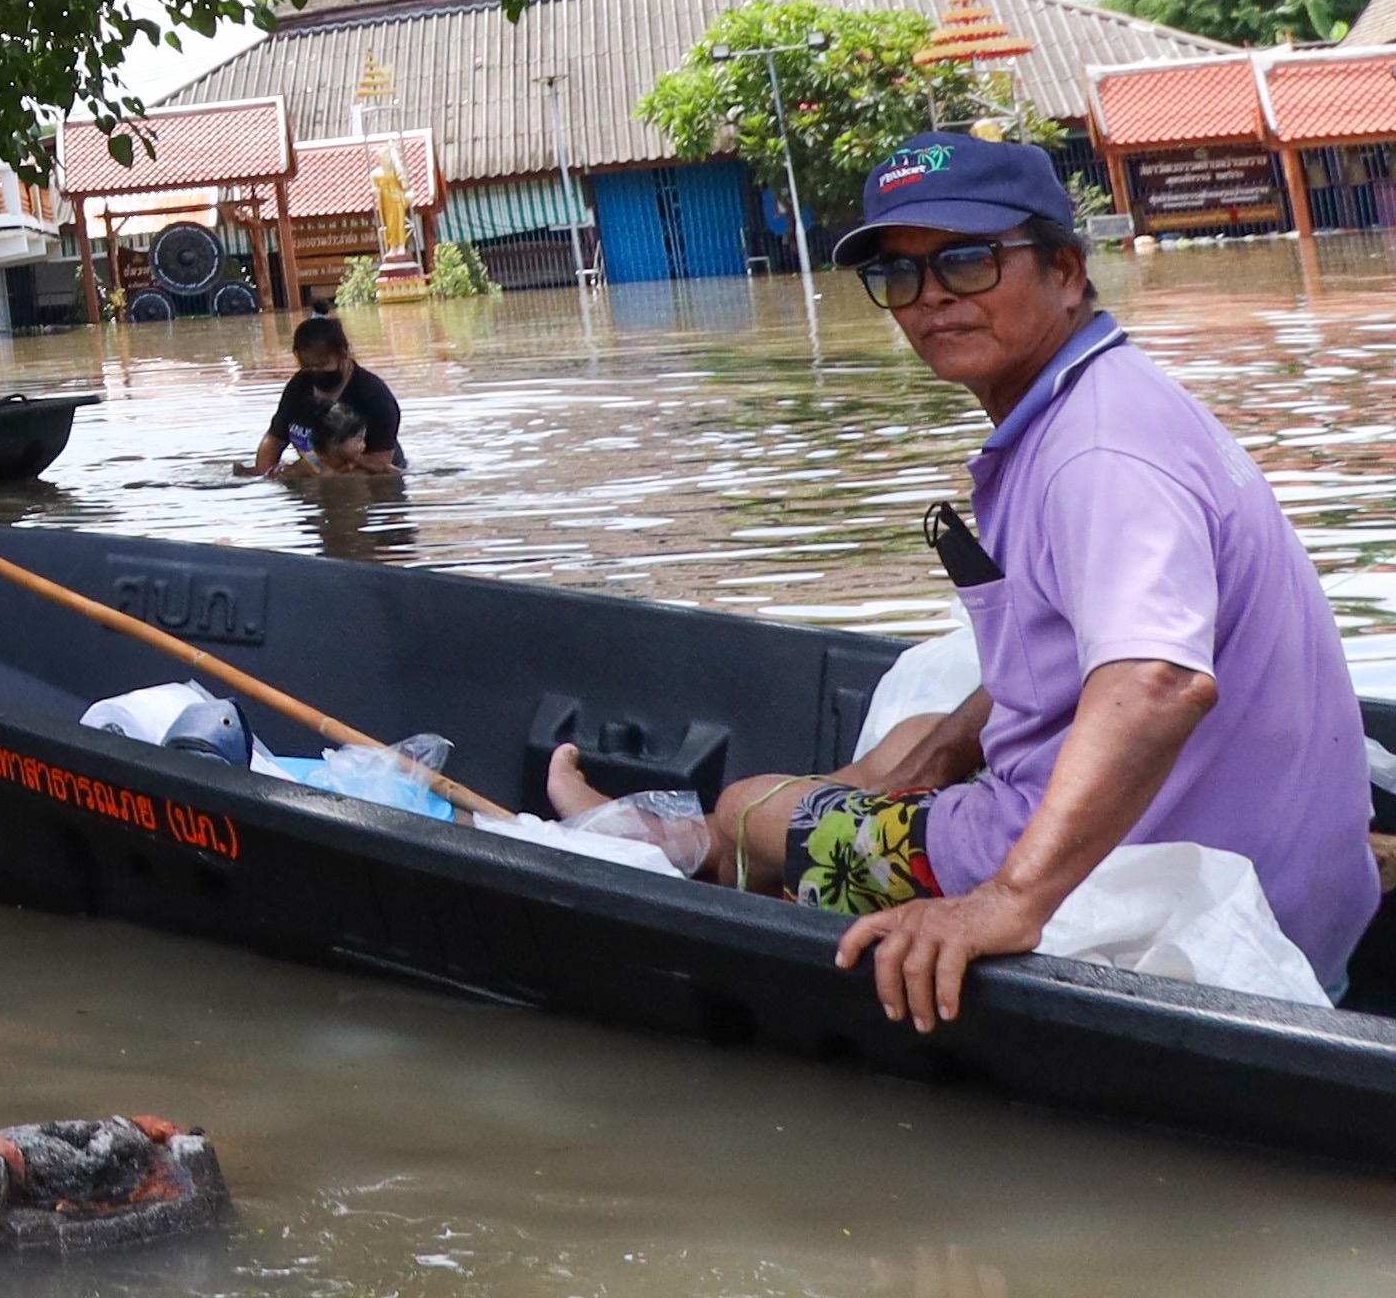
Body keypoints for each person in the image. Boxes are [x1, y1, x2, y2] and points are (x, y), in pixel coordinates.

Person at [542, 132, 1375, 1021]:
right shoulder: (1102, 398)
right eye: (901, 276)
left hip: (1165, 882)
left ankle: (665, 844)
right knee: (918, 739)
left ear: (1062, 267)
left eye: (968, 261)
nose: (931, 296)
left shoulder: (1098, 451)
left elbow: (1157, 681)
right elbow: (1064, 657)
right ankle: (705, 835)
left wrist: (1008, 900)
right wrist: (942, 753)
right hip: (1280, 882)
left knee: (753, 810)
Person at [246, 317, 405, 478]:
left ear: (343, 354)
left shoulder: (374, 395)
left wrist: (340, 467)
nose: (314, 372)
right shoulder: (299, 386)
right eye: (307, 366)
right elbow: (274, 440)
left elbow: (382, 463)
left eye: (322, 365)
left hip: (368, 472)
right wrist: (265, 475)